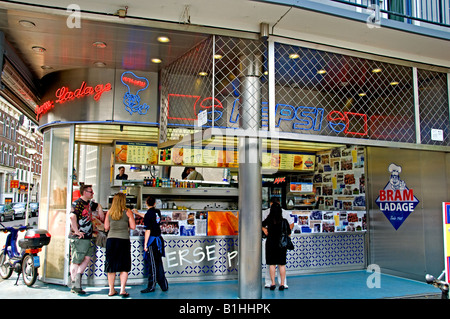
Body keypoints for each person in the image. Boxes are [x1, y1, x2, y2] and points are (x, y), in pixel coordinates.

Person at [69, 184, 104, 294]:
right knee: (76, 260)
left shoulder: (89, 203)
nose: (92, 193)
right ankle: (75, 283)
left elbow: (98, 207)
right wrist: (76, 231)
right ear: (84, 192)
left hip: (88, 236)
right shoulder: (77, 203)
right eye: (90, 192)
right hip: (80, 237)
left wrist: (99, 208)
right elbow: (72, 216)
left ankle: (77, 281)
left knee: (87, 258)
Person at [104, 193, 136, 297]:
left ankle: (111, 290)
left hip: (111, 240)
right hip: (123, 240)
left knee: (111, 266)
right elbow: (133, 226)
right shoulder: (128, 212)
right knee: (124, 266)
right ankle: (122, 289)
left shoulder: (109, 212)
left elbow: (106, 227)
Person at [262, 197, 293, 289]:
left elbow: (261, 223)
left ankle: (271, 283)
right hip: (282, 244)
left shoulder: (268, 218)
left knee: (271, 264)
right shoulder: (284, 219)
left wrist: (265, 230)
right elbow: (289, 230)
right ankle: (282, 284)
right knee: (282, 264)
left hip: (270, 243)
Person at [140, 196, 169, 293]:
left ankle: (151, 286)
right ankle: (164, 285)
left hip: (152, 242)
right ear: (155, 203)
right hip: (159, 240)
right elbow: (149, 217)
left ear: (146, 203)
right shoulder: (157, 212)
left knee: (152, 265)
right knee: (158, 263)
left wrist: (145, 245)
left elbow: (148, 230)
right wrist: (137, 213)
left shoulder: (148, 214)